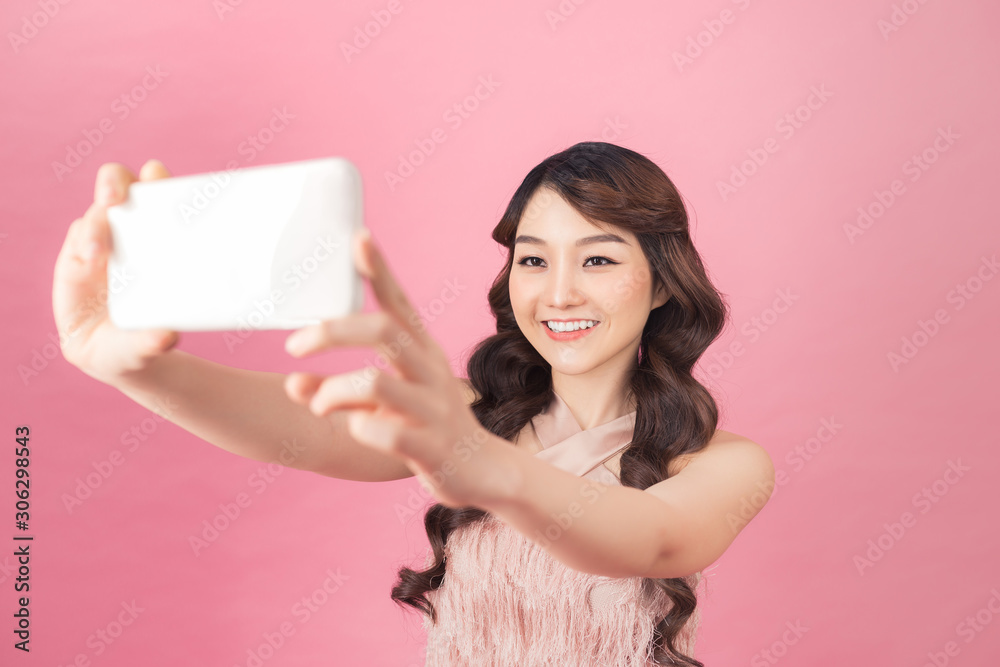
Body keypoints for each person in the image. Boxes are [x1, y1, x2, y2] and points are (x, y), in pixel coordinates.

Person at [54, 141, 775, 666]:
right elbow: (295, 424)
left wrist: (485, 467)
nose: (558, 293)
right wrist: (139, 369)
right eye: (532, 258)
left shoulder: (729, 465)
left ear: (660, 284)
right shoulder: (467, 416)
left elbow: (650, 539)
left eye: (598, 258)